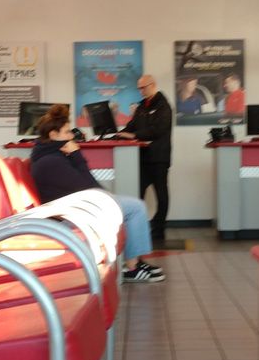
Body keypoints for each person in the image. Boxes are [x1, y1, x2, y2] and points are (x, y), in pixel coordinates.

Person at [30, 104, 164, 284]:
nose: (71, 136)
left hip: (76, 208)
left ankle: (135, 264)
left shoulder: (50, 156)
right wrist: (77, 155)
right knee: (136, 208)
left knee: (131, 206)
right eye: (67, 132)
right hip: (71, 216)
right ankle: (133, 268)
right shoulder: (51, 162)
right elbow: (90, 186)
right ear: (53, 135)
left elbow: (87, 188)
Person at [116, 74, 173, 242]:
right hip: (142, 158)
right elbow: (131, 126)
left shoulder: (164, 106)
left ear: (153, 85)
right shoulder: (142, 106)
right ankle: (136, 227)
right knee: (136, 193)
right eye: (139, 88)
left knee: (161, 195)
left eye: (143, 87)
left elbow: (158, 130)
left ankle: (158, 230)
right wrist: (119, 134)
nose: (140, 91)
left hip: (159, 157)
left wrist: (133, 135)